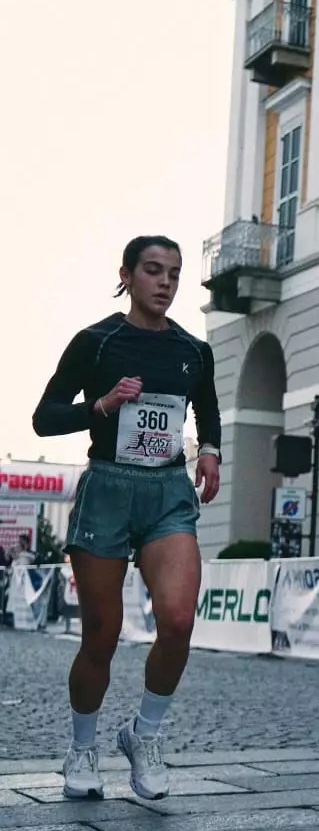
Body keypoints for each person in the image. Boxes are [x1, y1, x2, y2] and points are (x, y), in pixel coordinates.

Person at [32, 235, 222, 801]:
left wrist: (210, 451)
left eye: (174, 274)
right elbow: (44, 418)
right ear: (127, 275)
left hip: (167, 492)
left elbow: (207, 407)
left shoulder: (193, 349)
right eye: (153, 270)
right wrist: (102, 405)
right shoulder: (96, 341)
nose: (165, 283)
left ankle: (144, 735)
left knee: (179, 621)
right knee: (102, 632)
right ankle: (82, 748)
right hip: (109, 489)